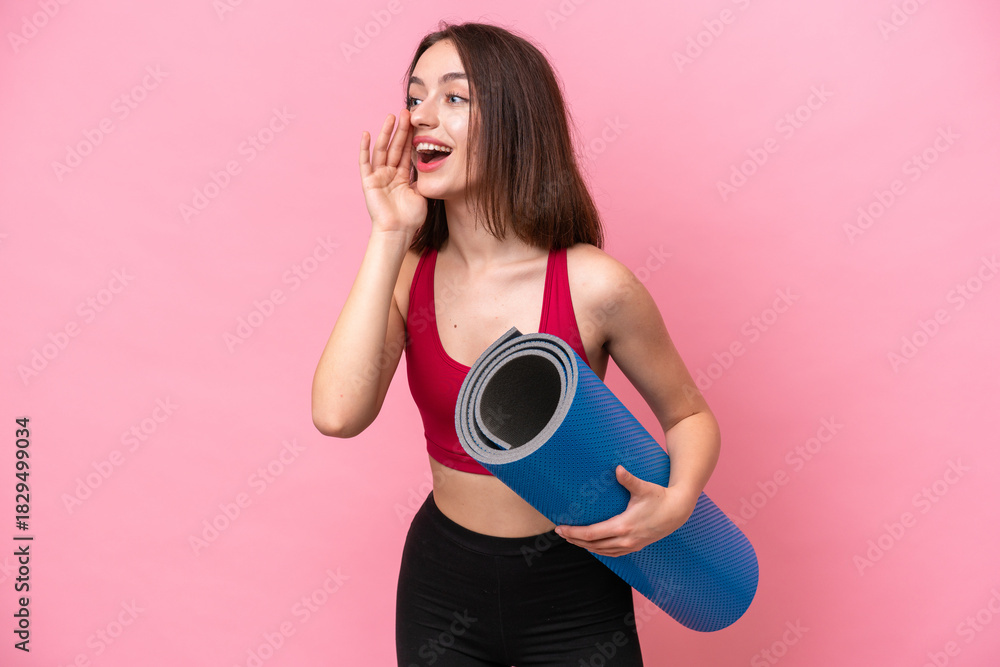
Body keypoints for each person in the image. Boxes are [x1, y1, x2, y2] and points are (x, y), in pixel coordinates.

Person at [311, 21, 721, 666]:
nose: (421, 117)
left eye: (453, 97)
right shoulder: (410, 272)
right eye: (415, 97)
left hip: (576, 586)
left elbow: (689, 414)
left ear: (513, 120)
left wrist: (677, 502)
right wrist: (389, 235)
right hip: (442, 584)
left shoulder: (593, 284)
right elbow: (337, 414)